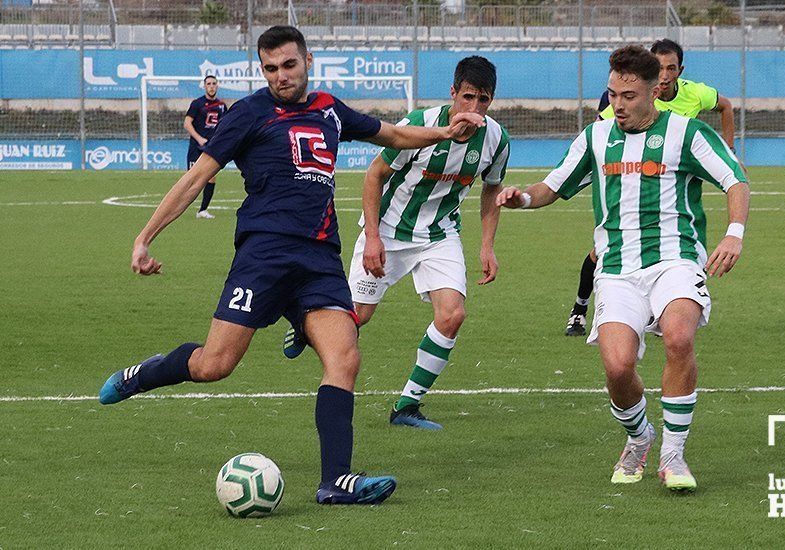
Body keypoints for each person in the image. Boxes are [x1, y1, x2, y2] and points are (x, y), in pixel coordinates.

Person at [97, 25, 484, 506]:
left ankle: (335, 481)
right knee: (215, 365)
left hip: (320, 258)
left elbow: (394, 134)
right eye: (270, 68)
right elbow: (197, 176)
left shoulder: (329, 108)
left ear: (307, 60)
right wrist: (144, 237)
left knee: (344, 357)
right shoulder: (249, 114)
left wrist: (444, 131)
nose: (280, 76)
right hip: (264, 256)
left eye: (288, 65)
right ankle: (146, 374)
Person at [497, 45, 749, 491]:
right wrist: (522, 198)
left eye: (628, 96)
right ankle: (639, 437)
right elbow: (552, 187)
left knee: (678, 335)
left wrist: (734, 233)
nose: (618, 104)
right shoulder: (595, 137)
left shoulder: (686, 133)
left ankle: (674, 455)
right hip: (615, 267)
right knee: (617, 367)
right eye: (612, 94)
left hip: (675, 259)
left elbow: (735, 179)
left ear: (655, 92)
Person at [284, 56, 509, 431]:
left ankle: (407, 405)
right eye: (467, 97)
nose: (473, 108)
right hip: (388, 230)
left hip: (439, 234)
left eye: (483, 100)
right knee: (357, 319)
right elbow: (374, 176)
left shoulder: (496, 140)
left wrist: (487, 245)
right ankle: (303, 320)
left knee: (452, 314)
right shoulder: (419, 126)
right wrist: (373, 237)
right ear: (453, 93)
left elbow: (492, 188)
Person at [566, 38, 737, 336]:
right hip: (628, 190)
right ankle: (580, 308)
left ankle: (665, 309)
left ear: (680, 70)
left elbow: (725, 106)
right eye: (660, 67)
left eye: (672, 68)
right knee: (599, 252)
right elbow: (603, 135)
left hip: (672, 185)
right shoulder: (627, 101)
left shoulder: (695, 94)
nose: (666, 73)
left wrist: (729, 151)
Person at [184, 75, 227, 219]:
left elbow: (225, 125)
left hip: (211, 148)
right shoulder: (197, 104)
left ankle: (202, 210)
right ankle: (179, 206)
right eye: (209, 83)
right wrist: (199, 139)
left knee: (211, 177)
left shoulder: (222, 106)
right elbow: (187, 123)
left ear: (217, 86)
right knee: (192, 179)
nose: (212, 86)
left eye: (214, 83)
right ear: (204, 86)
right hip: (196, 147)